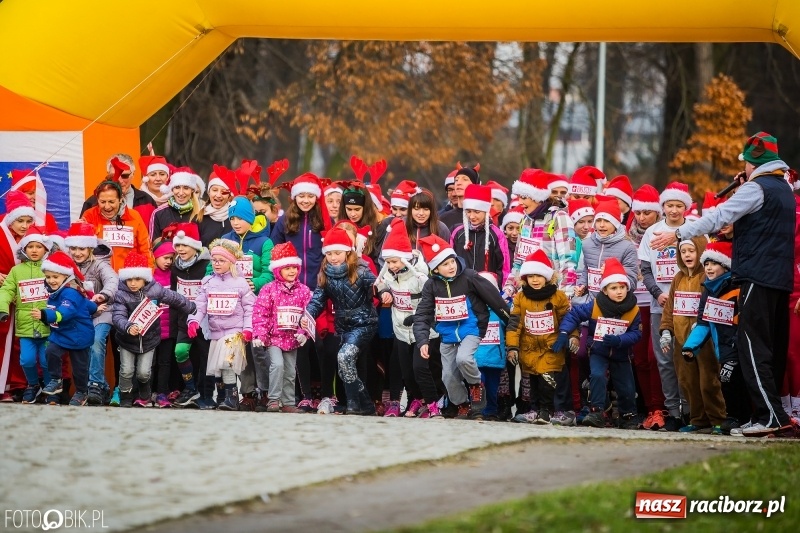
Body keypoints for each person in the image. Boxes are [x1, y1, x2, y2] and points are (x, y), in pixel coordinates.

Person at [650, 132, 799, 437]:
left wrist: (678, 235)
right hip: (778, 277)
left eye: (744, 163)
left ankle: (769, 416)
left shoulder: (756, 187)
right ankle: (773, 413)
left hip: (757, 275)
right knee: (771, 347)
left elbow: (719, 216)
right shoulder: (782, 188)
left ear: (752, 162)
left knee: (751, 346)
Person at [413, 234, 511, 419]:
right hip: (447, 334)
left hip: (472, 329)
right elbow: (423, 314)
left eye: (452, 262)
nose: (451, 267)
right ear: (435, 269)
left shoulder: (470, 277)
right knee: (448, 376)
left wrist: (510, 321)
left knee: (464, 359)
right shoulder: (431, 286)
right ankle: (462, 404)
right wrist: (423, 340)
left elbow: (494, 299)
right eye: (444, 265)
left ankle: (475, 385)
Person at [555, 257, 643, 429]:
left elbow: (636, 334)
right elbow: (574, 315)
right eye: (614, 288)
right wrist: (564, 332)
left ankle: (627, 415)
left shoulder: (634, 309)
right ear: (604, 290)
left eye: (622, 287)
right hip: (598, 351)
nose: (619, 291)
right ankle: (597, 411)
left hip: (622, 354)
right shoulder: (595, 305)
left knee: (626, 385)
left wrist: (619, 340)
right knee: (596, 376)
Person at [302, 227, 379, 415]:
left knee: (344, 357)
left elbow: (377, 285)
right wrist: (307, 315)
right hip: (343, 325)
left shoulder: (361, 269)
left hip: (364, 323)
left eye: (337, 253)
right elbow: (318, 300)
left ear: (347, 251)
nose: (333, 257)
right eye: (329, 254)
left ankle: (353, 403)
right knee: (346, 365)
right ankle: (367, 405)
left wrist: (384, 293)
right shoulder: (326, 275)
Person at [638, 181, 694, 431]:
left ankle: (691, 410)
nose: (673, 210)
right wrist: (656, 293)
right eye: (669, 205)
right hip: (659, 306)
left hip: (687, 307)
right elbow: (645, 269)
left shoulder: (693, 229)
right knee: (663, 359)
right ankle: (672, 411)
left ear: (686, 207)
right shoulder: (653, 232)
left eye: (678, 205)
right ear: (663, 207)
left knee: (687, 357)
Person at [681, 240, 750, 435]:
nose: (709, 268)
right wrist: (690, 346)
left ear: (726, 265)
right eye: (707, 264)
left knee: (731, 379)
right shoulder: (708, 290)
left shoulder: (737, 287)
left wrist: (738, 341)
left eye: (714, 263)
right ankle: (736, 418)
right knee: (728, 381)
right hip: (723, 348)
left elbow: (744, 319)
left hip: (739, 345)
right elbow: (703, 322)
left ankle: (740, 418)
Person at [659, 236, 726, 434]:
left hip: (703, 341)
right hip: (680, 340)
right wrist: (665, 330)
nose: (687, 255)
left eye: (691, 250)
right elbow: (669, 308)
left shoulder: (706, 277)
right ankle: (698, 419)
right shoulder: (678, 278)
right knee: (687, 381)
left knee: (709, 381)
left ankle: (719, 419)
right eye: (683, 251)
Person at [112, 252, 194, 408]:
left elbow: (174, 297)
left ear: (145, 278)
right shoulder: (121, 294)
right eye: (129, 279)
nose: (133, 283)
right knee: (126, 371)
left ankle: (144, 392)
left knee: (144, 372)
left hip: (149, 340)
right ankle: (125, 396)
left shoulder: (154, 289)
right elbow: (117, 316)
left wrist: (191, 307)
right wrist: (128, 327)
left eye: (137, 279)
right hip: (127, 340)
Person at [374, 218, 437, 418]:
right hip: (401, 330)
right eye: (388, 262)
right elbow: (381, 283)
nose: (391, 266)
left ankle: (432, 403)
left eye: (394, 261)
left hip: (422, 329)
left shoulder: (418, 273)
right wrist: (384, 291)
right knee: (407, 372)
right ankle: (416, 399)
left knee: (421, 369)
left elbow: (429, 293)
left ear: (405, 258)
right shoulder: (389, 273)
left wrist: (419, 318)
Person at [506, 250, 574, 425]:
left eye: (539, 275)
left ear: (547, 277)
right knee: (533, 381)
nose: (535, 280)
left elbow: (568, 320)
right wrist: (512, 347)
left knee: (548, 380)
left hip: (552, 346)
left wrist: (573, 337)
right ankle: (534, 410)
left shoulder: (559, 297)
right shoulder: (520, 297)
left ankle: (551, 411)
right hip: (529, 347)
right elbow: (515, 324)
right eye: (531, 276)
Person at [187, 239, 256, 411]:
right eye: (214, 260)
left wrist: (248, 329)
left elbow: (249, 308)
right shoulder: (208, 282)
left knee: (226, 362)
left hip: (235, 331)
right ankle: (224, 397)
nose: (217, 264)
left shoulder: (241, 283)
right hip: (216, 332)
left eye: (221, 260)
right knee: (217, 367)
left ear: (231, 262)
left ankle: (233, 398)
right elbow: (200, 305)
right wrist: (194, 321)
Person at [251, 242, 313, 413]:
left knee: (290, 371)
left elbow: (308, 315)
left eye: (294, 267)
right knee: (277, 365)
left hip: (292, 339)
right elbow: (260, 313)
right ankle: (273, 399)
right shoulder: (269, 290)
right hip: (274, 338)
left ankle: (288, 402)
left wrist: (303, 333)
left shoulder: (304, 291)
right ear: (278, 270)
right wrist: (260, 335)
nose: (292, 271)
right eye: (287, 268)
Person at [66, 222, 118, 406]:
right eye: (73, 248)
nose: (77, 253)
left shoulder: (99, 265)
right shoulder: (67, 266)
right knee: (83, 349)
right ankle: (102, 386)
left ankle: (94, 385)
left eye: (81, 248)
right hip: (80, 316)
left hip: (103, 311)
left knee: (96, 342)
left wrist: (103, 296)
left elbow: (112, 280)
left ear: (90, 248)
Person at [627, 184, 667, 430]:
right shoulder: (625, 235)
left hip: (656, 304)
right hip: (634, 305)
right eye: (638, 212)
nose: (641, 217)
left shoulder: (662, 234)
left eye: (647, 213)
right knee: (640, 360)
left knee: (656, 358)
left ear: (656, 213)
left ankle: (661, 408)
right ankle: (649, 408)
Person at [503, 169, 576, 299]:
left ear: (537, 197)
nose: (520, 202)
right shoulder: (525, 220)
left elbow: (568, 263)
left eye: (524, 197)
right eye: (519, 197)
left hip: (552, 294)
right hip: (528, 295)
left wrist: (565, 297)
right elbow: (519, 262)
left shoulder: (559, 218)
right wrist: (509, 289)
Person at [0, 226, 53, 403]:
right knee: (27, 360)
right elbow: (6, 290)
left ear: (46, 248)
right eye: (30, 247)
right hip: (25, 325)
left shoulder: (51, 268)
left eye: (39, 246)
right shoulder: (17, 271)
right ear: (24, 249)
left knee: (46, 362)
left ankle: (49, 388)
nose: (34, 250)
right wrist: (3, 308)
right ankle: (32, 385)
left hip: (47, 324)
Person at [38, 251, 98, 406]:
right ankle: (56, 380)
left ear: (66, 277)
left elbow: (66, 312)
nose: (51, 280)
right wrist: (94, 307)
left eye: (55, 277)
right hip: (61, 333)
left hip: (79, 336)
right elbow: (87, 304)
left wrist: (44, 315)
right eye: (48, 276)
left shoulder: (71, 292)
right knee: (51, 351)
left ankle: (81, 392)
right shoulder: (56, 291)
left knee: (80, 369)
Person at [168, 223, 213, 408]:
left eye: (184, 245)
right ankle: (190, 388)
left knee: (205, 358)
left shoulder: (207, 265)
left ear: (194, 245)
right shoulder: (175, 268)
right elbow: (172, 294)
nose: (180, 249)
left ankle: (206, 393)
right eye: (177, 246)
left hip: (205, 321)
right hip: (183, 321)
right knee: (180, 351)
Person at [0, 191, 38, 401]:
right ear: (10, 218)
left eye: (28, 221)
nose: (24, 226)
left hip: (21, 298)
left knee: (17, 342)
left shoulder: (30, 240)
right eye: (20, 221)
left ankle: (11, 385)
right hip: (2, 297)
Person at [80, 178, 153, 272]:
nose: (107, 206)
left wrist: (148, 274)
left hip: (129, 278)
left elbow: (145, 249)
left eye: (111, 202)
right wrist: (78, 230)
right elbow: (80, 250)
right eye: (102, 202)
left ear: (120, 199)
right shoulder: (89, 215)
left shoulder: (134, 216)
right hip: (99, 276)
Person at [576, 200, 639, 300]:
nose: (601, 225)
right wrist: (581, 285)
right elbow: (587, 270)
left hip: (614, 306)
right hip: (590, 303)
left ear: (616, 224)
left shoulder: (627, 247)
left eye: (607, 221)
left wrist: (612, 271)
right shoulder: (587, 244)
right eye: (598, 220)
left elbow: (632, 283)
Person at [450, 184, 510, 285]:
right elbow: (450, 261)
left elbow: (503, 267)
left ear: (486, 211)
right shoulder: (458, 233)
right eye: (468, 212)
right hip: (461, 289)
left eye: (477, 212)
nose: (472, 216)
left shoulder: (496, 234)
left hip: (487, 289)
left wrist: (501, 290)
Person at [81, 155, 157, 225]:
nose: (120, 180)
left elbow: (154, 233)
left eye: (125, 176)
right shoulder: (92, 202)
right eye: (114, 175)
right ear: (108, 175)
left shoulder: (147, 200)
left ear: (133, 174)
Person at [473, 271, 507, 421]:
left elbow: (510, 324)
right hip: (475, 358)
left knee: (493, 389)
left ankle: (491, 411)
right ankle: (477, 411)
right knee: (477, 386)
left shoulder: (501, 310)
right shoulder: (472, 311)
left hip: (495, 359)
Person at [151, 238, 178, 407]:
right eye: (165, 258)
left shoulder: (174, 275)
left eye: (171, 258)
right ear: (155, 256)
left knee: (165, 362)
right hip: (151, 328)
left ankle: (162, 392)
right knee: (150, 362)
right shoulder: (149, 276)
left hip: (169, 329)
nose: (168, 262)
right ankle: (147, 392)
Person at [149, 168, 203, 241]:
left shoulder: (200, 213)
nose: (181, 193)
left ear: (192, 190)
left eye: (186, 188)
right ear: (172, 189)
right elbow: (153, 245)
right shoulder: (158, 213)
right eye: (177, 187)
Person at [199, 165, 236, 245]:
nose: (218, 195)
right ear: (209, 192)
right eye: (215, 190)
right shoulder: (200, 218)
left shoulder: (235, 216)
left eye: (224, 192)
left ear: (229, 195)